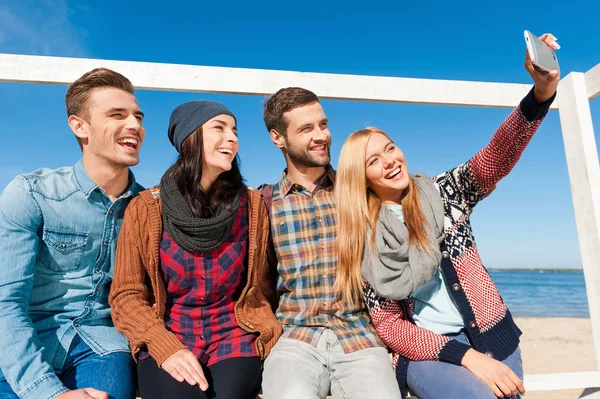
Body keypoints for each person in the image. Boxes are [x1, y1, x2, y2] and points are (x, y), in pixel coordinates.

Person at [334, 34, 560, 399]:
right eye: (373, 161)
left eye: (389, 148)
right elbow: (391, 327)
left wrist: (540, 94)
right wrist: (467, 357)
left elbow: (495, 157)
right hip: (428, 351)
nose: (390, 160)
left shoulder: (443, 193)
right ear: (361, 180)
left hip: (492, 333)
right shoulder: (365, 238)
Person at [109, 100, 281, 399]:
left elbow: (263, 283)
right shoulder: (146, 208)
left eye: (235, 131)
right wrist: (164, 345)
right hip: (170, 331)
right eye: (219, 128)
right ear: (189, 139)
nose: (233, 138)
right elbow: (126, 295)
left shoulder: (251, 206)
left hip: (234, 332)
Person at [0, 68, 145, 399]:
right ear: (79, 126)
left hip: (102, 345)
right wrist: (47, 393)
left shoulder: (148, 208)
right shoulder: (32, 194)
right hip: (21, 342)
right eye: (117, 115)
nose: (135, 125)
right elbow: (6, 303)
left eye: (138, 116)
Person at [260, 88, 402, 398]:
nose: (321, 135)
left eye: (323, 124)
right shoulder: (264, 203)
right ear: (278, 138)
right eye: (306, 128)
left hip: (361, 338)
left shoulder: (360, 192)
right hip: (294, 338)